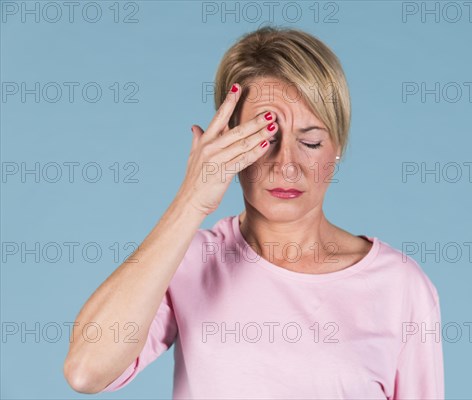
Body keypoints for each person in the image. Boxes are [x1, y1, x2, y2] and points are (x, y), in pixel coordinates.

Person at [63, 26, 444, 399]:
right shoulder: (191, 260)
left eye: (310, 142)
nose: (287, 165)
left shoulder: (399, 287)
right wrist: (191, 200)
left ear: (337, 146)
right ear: (228, 140)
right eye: (265, 139)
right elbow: (86, 371)